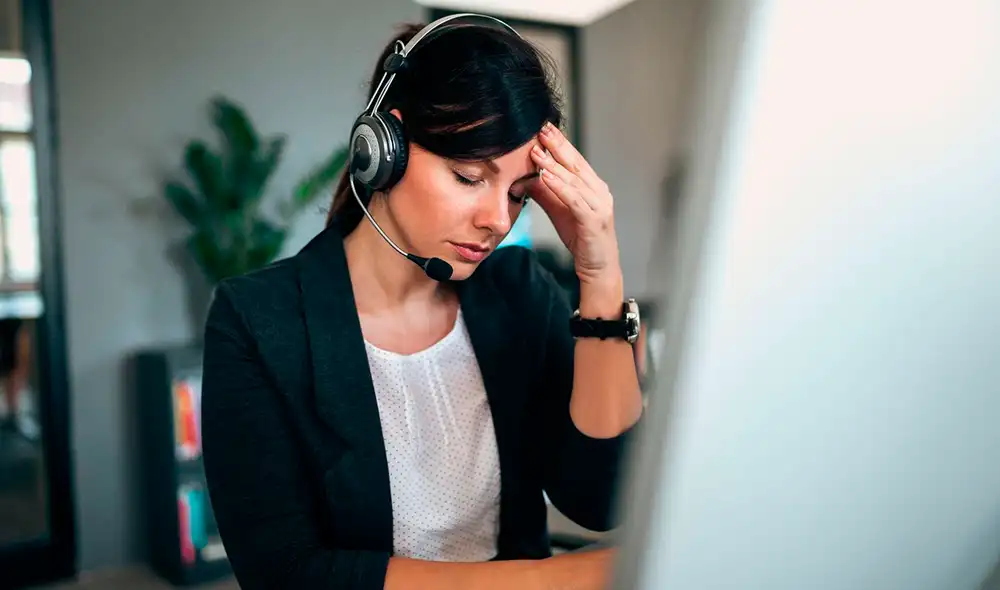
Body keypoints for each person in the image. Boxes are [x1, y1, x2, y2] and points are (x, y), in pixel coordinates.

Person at [201, 16, 643, 590]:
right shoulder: (256, 319)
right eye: (468, 176)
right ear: (383, 149)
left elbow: (603, 500)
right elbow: (287, 573)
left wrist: (600, 275)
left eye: (516, 193)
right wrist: (543, 581)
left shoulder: (516, 291)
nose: (496, 221)